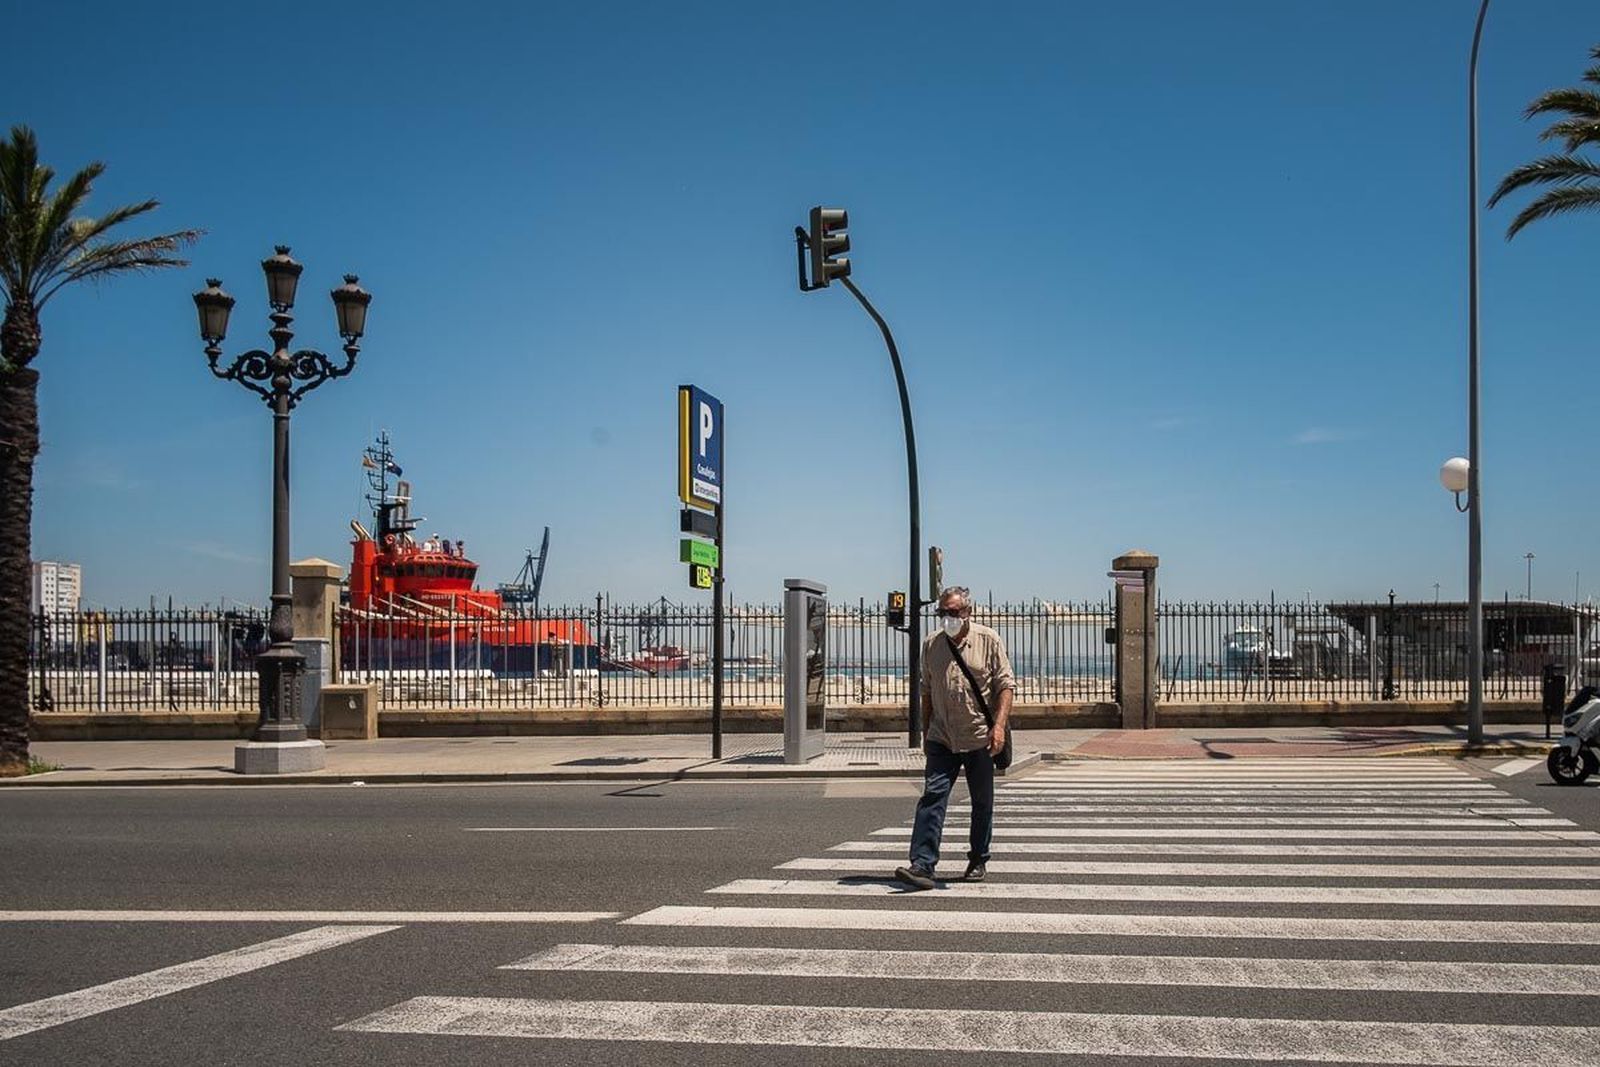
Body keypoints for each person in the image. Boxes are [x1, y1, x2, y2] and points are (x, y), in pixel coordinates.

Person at [895, 585, 1015, 890]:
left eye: (953, 612)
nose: (947, 618)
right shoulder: (931, 644)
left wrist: (998, 727)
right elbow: (925, 692)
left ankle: (978, 858)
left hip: (979, 737)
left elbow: (1005, 686)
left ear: (967, 612)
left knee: (981, 802)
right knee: (932, 797)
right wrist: (925, 732)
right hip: (942, 737)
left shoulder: (988, 640)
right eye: (942, 612)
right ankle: (922, 864)